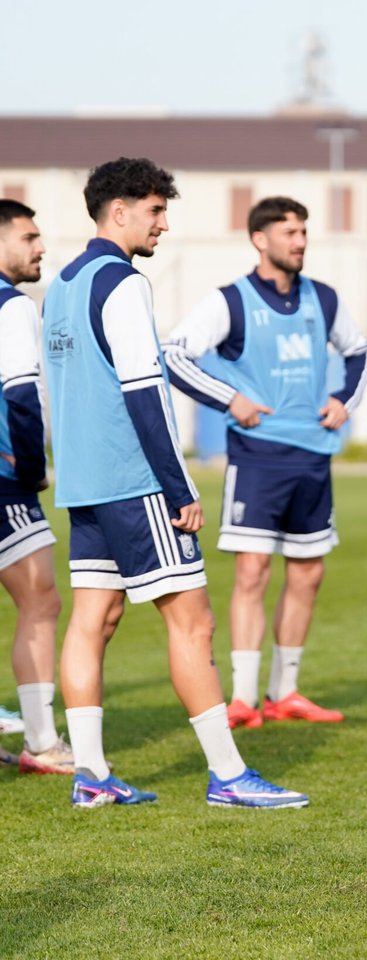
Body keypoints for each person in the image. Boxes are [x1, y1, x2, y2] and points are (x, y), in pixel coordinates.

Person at [42, 157, 308, 808]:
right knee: (192, 623)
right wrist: (180, 488)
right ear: (120, 210)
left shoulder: (58, 287)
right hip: (137, 482)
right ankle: (227, 776)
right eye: (155, 211)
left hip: (83, 482)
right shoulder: (123, 285)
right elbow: (145, 395)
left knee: (92, 621)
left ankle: (93, 777)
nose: (163, 225)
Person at [163, 196, 367, 729]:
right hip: (256, 458)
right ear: (260, 239)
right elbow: (175, 355)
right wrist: (228, 399)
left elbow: (360, 351)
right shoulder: (230, 301)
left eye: (304, 232)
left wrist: (343, 402)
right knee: (252, 573)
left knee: (308, 573)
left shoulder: (322, 299)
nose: (300, 241)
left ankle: (285, 692)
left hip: (313, 458)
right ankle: (242, 698)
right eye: (289, 233)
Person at [0, 199, 70, 774]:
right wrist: (31, 469)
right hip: (3, 482)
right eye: (29, 237)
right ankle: (43, 743)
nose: (40, 247)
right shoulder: (12, 306)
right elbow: (22, 394)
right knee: (40, 601)